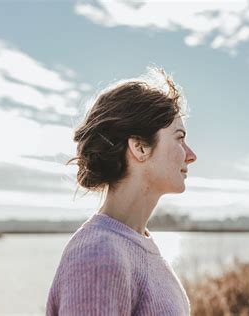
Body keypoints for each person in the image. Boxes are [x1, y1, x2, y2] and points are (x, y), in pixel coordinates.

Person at [46, 67, 197, 315]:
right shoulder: (98, 255)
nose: (191, 156)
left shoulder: (136, 244)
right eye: (179, 138)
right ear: (139, 148)